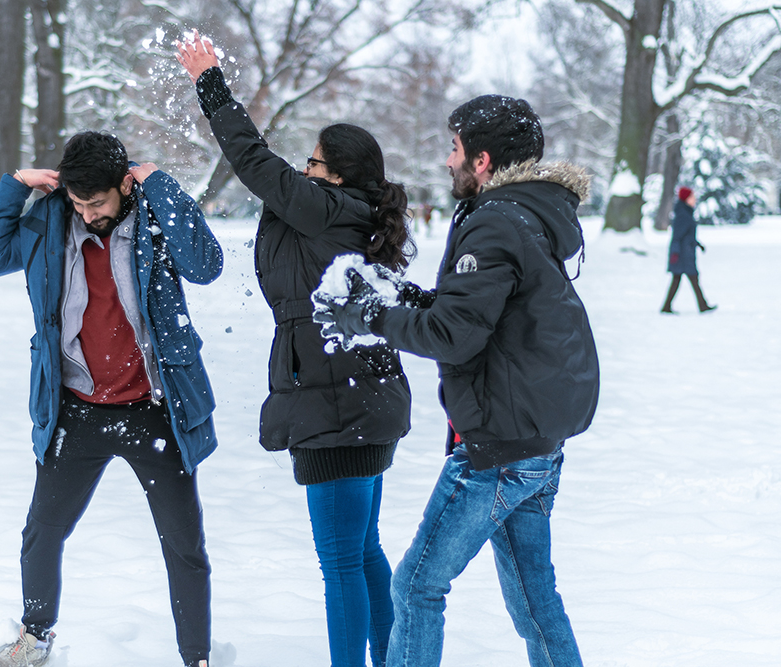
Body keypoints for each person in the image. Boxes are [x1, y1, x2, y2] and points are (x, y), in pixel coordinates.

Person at [314, 95, 600, 667]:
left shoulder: (496, 220)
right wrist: (407, 299)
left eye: (455, 149)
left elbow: (454, 336)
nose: (448, 161)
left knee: (416, 586)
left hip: (500, 451)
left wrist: (365, 318)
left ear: (483, 161)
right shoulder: (525, 214)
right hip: (537, 443)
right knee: (533, 599)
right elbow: (483, 314)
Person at [175, 32, 413, 667]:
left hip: (335, 400)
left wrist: (210, 81)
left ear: (336, 175)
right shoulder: (345, 211)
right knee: (363, 552)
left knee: (341, 561)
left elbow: (255, 163)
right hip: (358, 392)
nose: (302, 169)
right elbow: (272, 181)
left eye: (313, 161)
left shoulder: (330, 209)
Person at [0, 131, 222, 667]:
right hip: (76, 410)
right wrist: (15, 186)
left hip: (155, 411)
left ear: (125, 185)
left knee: (184, 544)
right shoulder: (50, 224)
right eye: (78, 203)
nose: (87, 215)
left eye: (98, 202)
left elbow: (206, 265)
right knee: (42, 532)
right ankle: (34, 641)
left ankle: (196, 657)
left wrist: (161, 184)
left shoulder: (154, 221)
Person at [660, 186, 716, 314]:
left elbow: (687, 235)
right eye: (692, 197)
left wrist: (697, 244)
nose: (694, 199)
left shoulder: (685, 212)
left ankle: (667, 306)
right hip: (682, 255)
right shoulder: (683, 215)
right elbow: (677, 236)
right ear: (686, 198)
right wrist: (675, 253)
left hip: (685, 252)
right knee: (691, 278)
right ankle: (702, 305)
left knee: (678, 280)